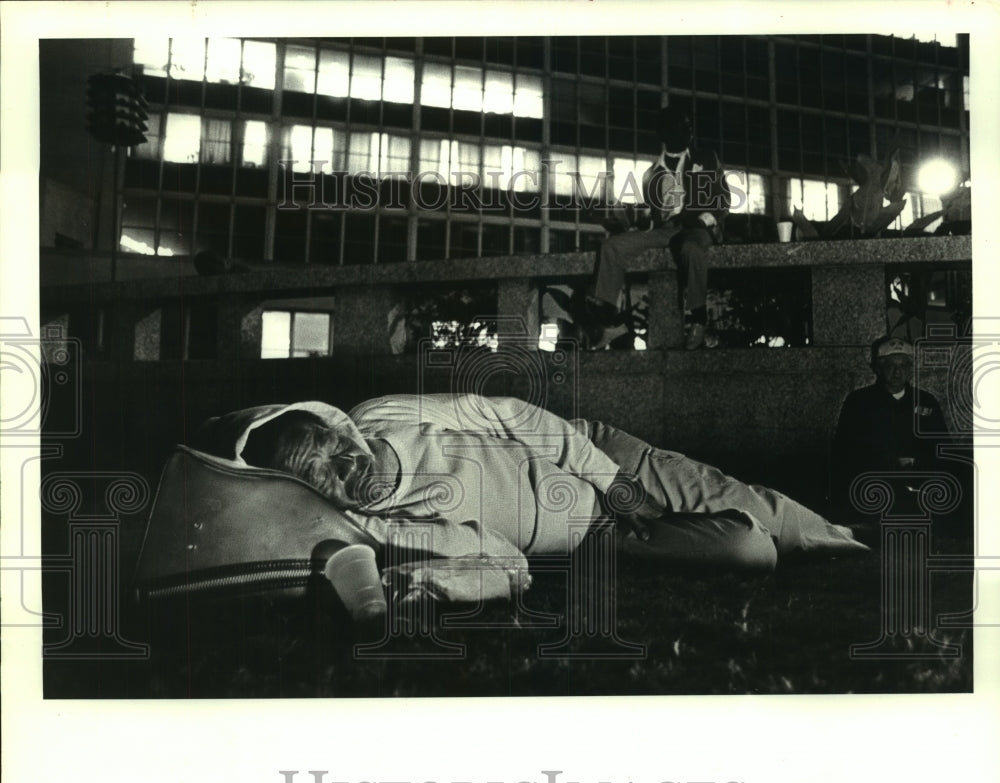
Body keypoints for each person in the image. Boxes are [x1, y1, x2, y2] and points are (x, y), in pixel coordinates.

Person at [196, 394, 866, 601]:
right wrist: (438, 584)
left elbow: (513, 414)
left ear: (342, 428)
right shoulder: (377, 526)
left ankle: (847, 540)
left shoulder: (385, 415)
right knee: (751, 551)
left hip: (599, 459)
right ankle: (728, 527)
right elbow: (505, 566)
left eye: (342, 448)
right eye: (331, 478)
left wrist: (620, 486)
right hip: (590, 537)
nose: (353, 468)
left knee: (772, 513)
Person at [590, 105, 730, 350]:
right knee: (612, 247)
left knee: (691, 249)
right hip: (665, 230)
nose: (689, 130)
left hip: (696, 227)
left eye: (689, 125)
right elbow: (652, 216)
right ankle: (608, 318)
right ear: (664, 133)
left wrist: (704, 220)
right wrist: (634, 222)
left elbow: (723, 198)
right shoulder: (650, 174)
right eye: (682, 125)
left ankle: (698, 318)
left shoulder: (706, 159)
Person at [831, 336, 950, 517]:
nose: (897, 372)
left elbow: (942, 447)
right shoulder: (859, 402)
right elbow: (844, 452)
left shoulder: (926, 401)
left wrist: (917, 463)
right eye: (890, 365)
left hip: (920, 488)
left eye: (904, 365)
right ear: (878, 368)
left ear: (911, 369)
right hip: (873, 490)